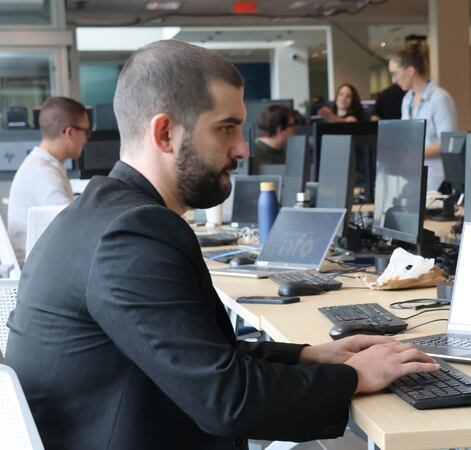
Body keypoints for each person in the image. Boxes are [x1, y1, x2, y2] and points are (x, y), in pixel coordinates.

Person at [4, 39, 438, 450]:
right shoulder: (132, 234)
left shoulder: (102, 216)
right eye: (226, 129)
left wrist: (310, 356)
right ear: (165, 134)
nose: (243, 149)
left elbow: (196, 352)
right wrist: (353, 377)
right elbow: (225, 400)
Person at [7, 96, 90, 262]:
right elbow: (73, 228)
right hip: (35, 268)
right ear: (69, 132)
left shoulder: (44, 164)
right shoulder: (44, 173)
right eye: (86, 131)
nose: (86, 139)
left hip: (41, 263)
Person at [390, 44, 457, 191]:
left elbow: (449, 143)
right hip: (413, 178)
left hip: (437, 182)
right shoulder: (407, 100)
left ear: (410, 71)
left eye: (395, 74)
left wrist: (414, 154)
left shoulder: (439, 99)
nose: (394, 80)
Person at [252, 104, 295, 169]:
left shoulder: (287, 151)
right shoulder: (252, 154)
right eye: (292, 125)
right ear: (280, 130)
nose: (295, 129)